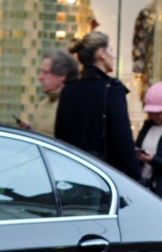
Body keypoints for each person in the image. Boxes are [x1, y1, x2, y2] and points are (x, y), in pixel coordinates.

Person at [55, 31, 141, 178]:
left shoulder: (68, 91)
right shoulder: (113, 90)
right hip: (104, 179)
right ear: (101, 53)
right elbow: (123, 142)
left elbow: (60, 137)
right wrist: (137, 178)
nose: (114, 56)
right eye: (111, 50)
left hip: (72, 177)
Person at [21, 50, 78, 136]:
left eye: (45, 72)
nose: (40, 77)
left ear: (62, 75)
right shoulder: (44, 103)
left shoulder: (72, 105)